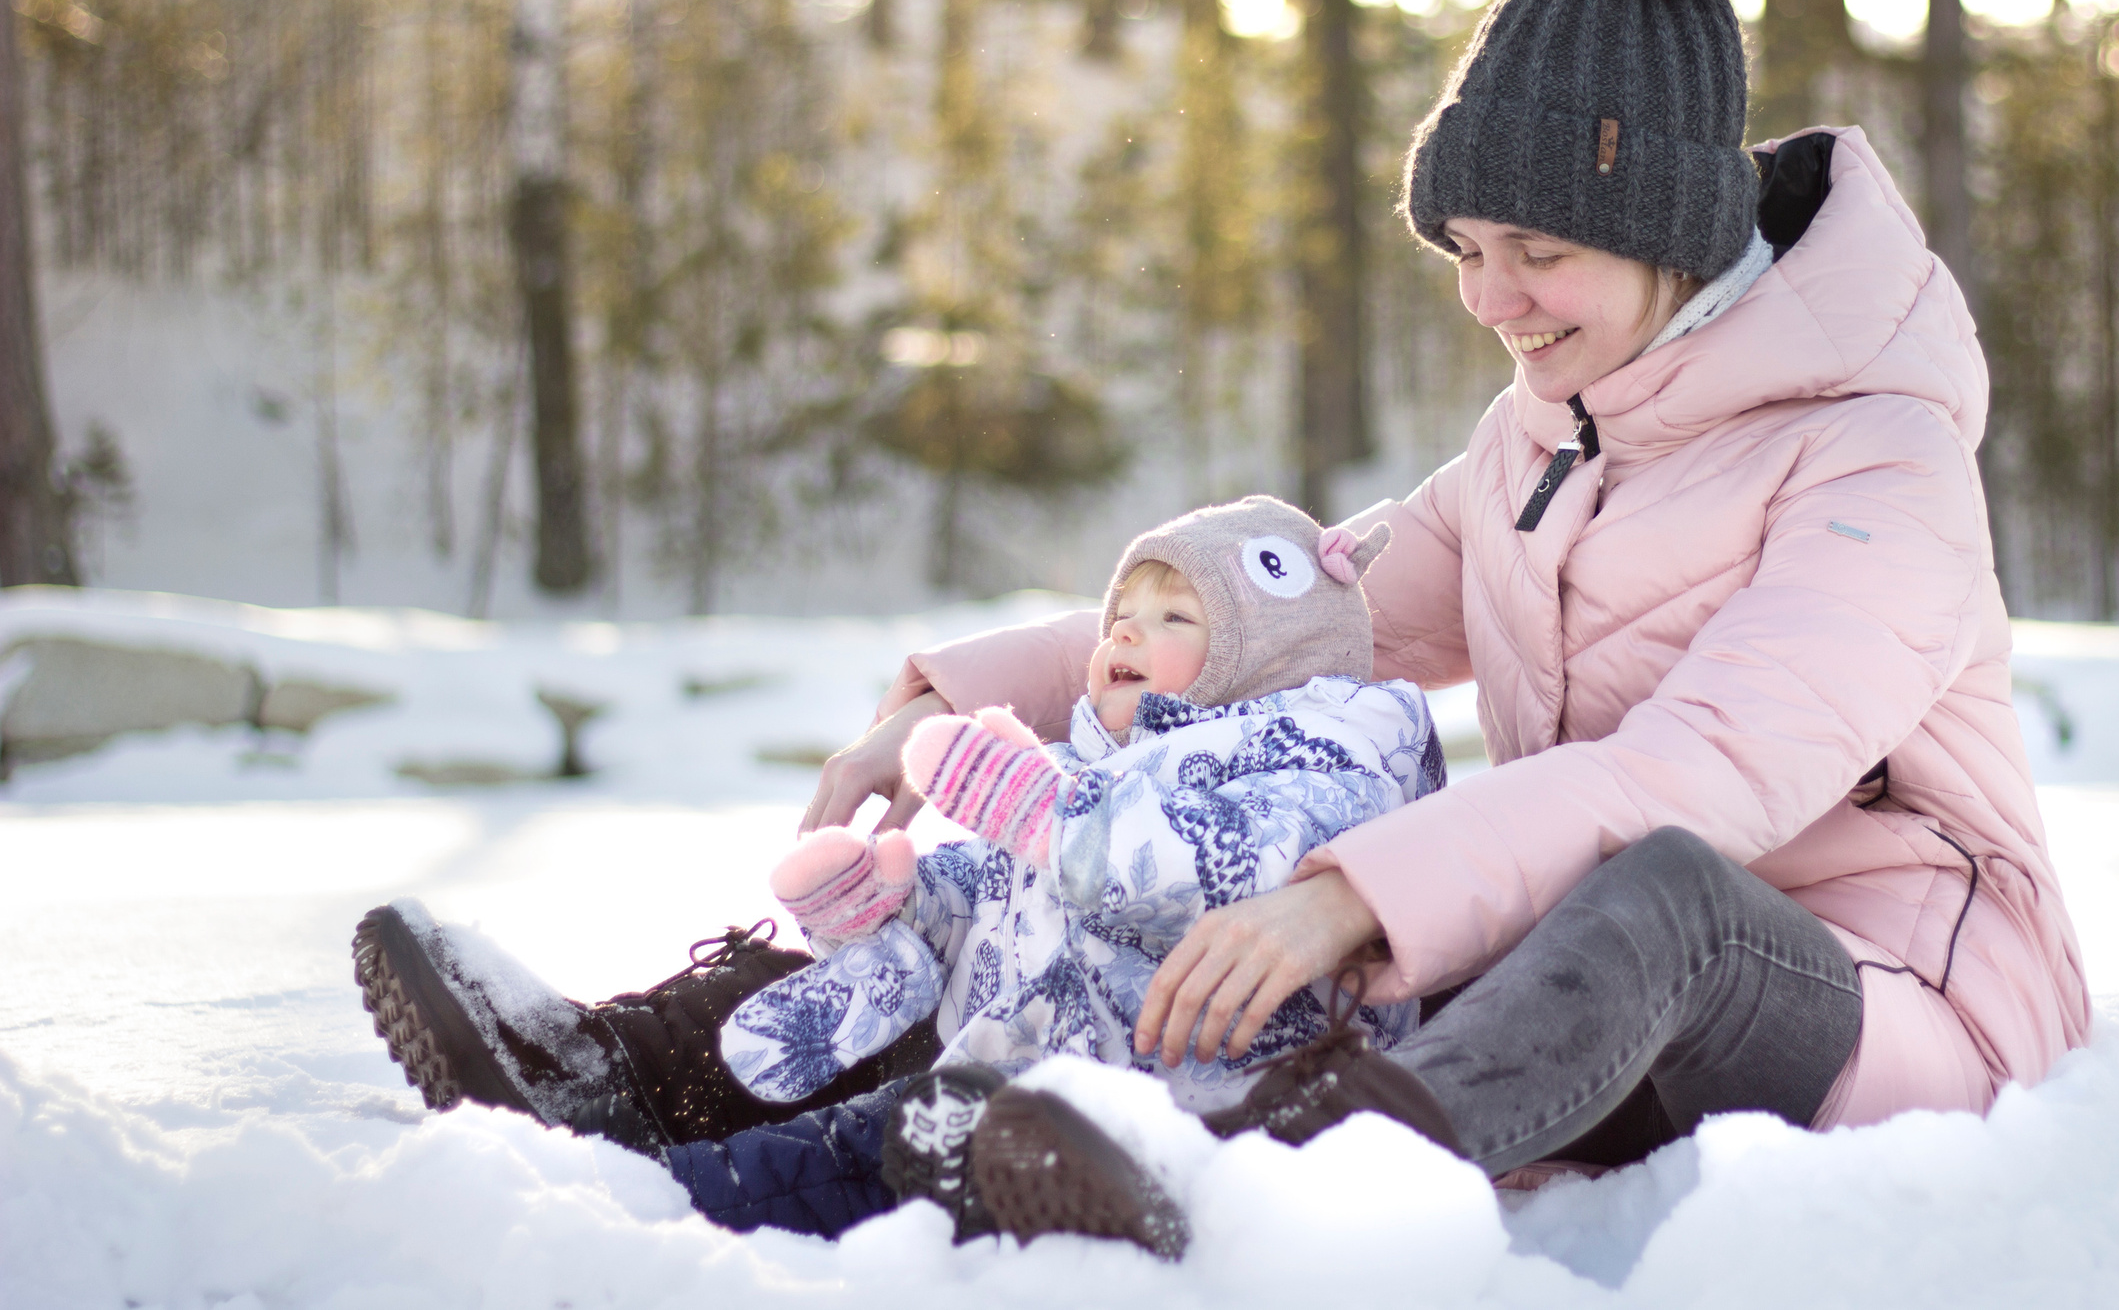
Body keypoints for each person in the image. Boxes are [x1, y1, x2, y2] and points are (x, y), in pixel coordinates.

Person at [785, 0, 2091, 1212]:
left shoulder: (1881, 461)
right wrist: (949, 706)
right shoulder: (1538, 445)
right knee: (1148, 843)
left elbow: (1700, 775)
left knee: (1657, 891)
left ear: (1681, 235)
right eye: (1469, 250)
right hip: (1590, 993)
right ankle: (700, 1080)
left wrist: (1359, 888)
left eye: (1541, 251)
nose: (1491, 297)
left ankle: (1258, 1184)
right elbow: (1279, 617)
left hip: (1897, 998)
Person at [352, 497, 1437, 1249]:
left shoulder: (1322, 749)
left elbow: (1217, 870)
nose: (1122, 636)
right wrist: (899, 900)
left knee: (881, 1136)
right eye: (1120, 616)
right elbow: (1009, 900)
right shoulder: (1107, 755)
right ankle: (603, 1078)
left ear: (1267, 650)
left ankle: (648, 1210)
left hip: (1185, 1099)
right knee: (837, 1007)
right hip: (1032, 1053)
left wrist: (1050, 816)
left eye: (1173, 619)